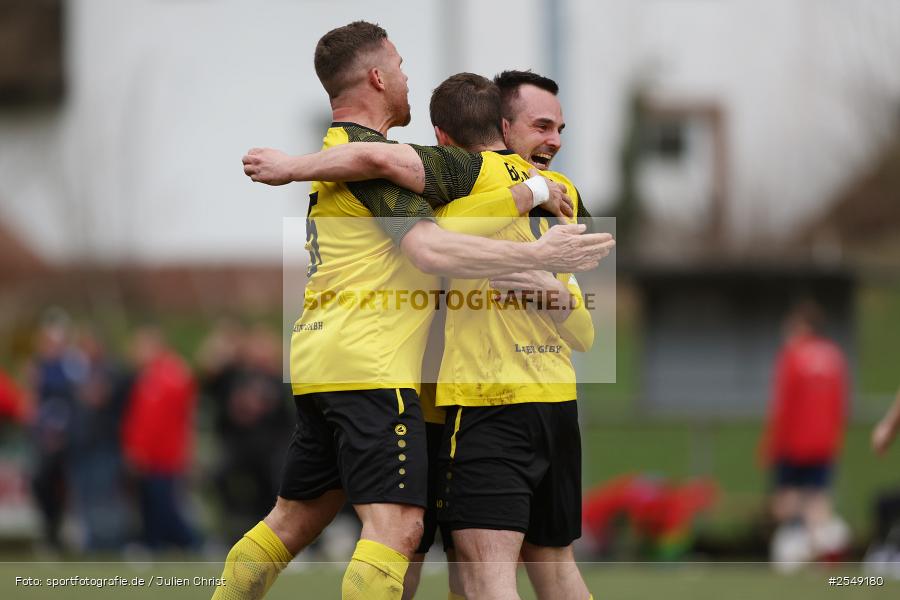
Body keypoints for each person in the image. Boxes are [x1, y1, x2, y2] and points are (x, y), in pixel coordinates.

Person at [216, 21, 613, 600]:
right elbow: (427, 243)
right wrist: (532, 224)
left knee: (294, 522)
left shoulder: (363, 160)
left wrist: (543, 272)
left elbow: (577, 315)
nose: (407, 75)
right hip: (385, 371)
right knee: (405, 532)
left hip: (325, 360)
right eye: (399, 65)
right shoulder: (397, 164)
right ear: (378, 76)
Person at [760, 300, 849, 565]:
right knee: (818, 498)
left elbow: (784, 404)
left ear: (803, 327)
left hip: (794, 442)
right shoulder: (834, 356)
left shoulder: (793, 355)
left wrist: (772, 446)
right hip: (824, 442)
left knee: (784, 503)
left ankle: (806, 547)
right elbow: (840, 403)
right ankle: (820, 550)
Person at [121, 326, 199, 551]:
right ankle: (151, 544)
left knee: (164, 504)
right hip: (150, 455)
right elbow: (139, 418)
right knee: (149, 503)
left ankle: (192, 543)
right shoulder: (147, 376)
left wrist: (142, 449)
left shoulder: (172, 374)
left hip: (164, 456)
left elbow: (162, 421)